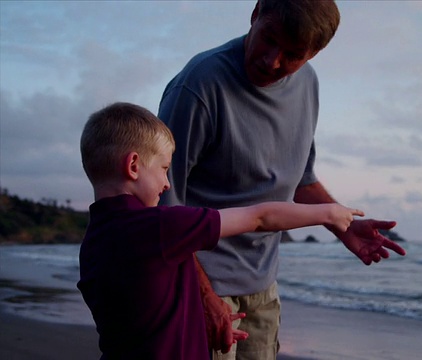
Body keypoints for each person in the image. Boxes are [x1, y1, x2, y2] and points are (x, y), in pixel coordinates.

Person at [157, 1, 407, 359]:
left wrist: (343, 224)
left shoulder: (307, 85)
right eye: (268, 39)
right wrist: (203, 295)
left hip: (263, 288)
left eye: (292, 54)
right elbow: (161, 205)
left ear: (314, 54)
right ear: (256, 13)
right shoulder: (198, 86)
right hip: (199, 282)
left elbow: (300, 180)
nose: (272, 61)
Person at [77, 102, 364, 360]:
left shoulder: (93, 242)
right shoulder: (159, 227)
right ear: (134, 165)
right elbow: (260, 217)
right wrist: (329, 213)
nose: (167, 183)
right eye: (164, 168)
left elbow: (150, 310)